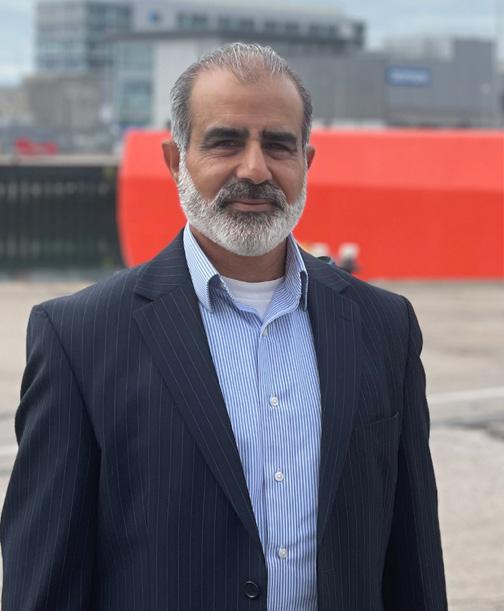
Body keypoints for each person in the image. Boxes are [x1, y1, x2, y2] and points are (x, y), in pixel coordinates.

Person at [1, 43, 447, 611]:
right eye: (225, 142)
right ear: (175, 160)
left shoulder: (385, 327)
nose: (255, 169)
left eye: (278, 145)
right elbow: (44, 581)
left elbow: (414, 560)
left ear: (306, 161)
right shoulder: (79, 338)